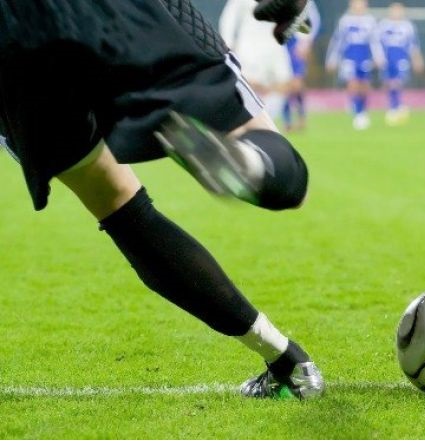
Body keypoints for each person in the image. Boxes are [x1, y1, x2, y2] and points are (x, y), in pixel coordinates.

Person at [0, 0, 324, 400]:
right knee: (279, 166)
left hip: (12, 40)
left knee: (120, 209)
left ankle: (285, 360)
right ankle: (251, 163)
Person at [219, 0, 295, 121]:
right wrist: (228, 45)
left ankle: (266, 120)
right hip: (250, 45)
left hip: (275, 44)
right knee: (250, 85)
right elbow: (228, 19)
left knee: (285, 84)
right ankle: (253, 123)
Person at [326, 0, 385, 130]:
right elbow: (338, 40)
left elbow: (375, 41)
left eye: (361, 3)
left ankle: (363, 110)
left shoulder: (370, 20)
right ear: (351, 5)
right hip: (349, 58)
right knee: (353, 84)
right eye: (356, 3)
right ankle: (357, 111)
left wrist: (379, 57)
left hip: (364, 58)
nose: (358, 6)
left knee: (364, 85)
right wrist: (332, 59)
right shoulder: (345, 20)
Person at [377, 2, 425, 126]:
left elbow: (414, 45)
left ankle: (395, 107)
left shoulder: (408, 26)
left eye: (399, 10)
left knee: (397, 82)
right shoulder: (383, 25)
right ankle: (395, 106)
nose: (397, 13)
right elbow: (376, 43)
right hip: (387, 60)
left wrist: (417, 59)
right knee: (389, 83)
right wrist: (378, 57)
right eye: (394, 10)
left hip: (402, 59)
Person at [282, 0, 321, 132]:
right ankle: (287, 120)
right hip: (281, 44)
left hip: (297, 43)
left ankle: (301, 117)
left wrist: (306, 41)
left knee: (297, 84)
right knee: (285, 84)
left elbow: (314, 20)